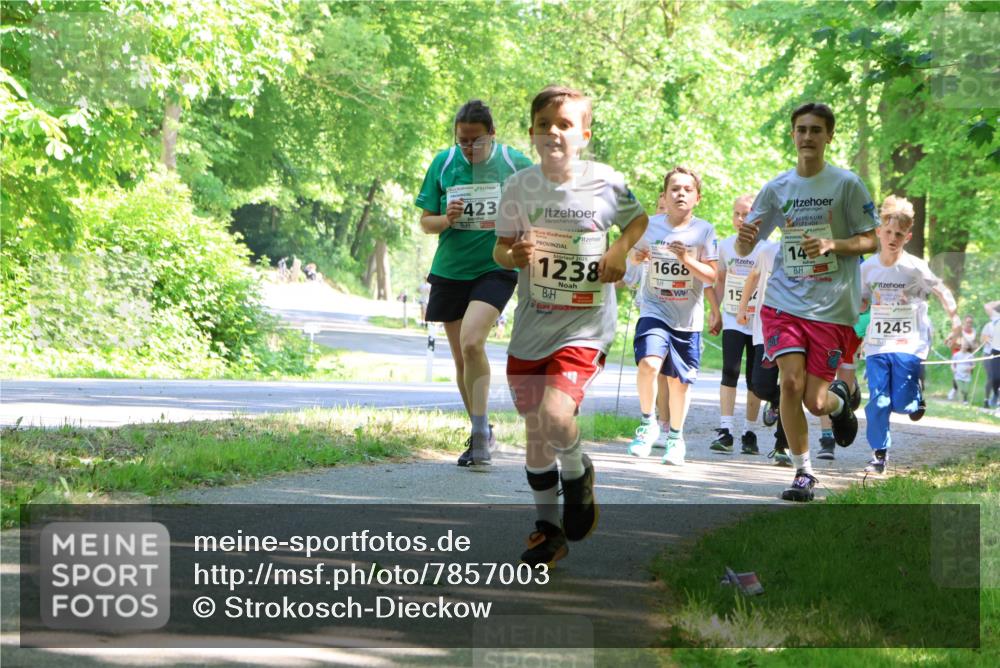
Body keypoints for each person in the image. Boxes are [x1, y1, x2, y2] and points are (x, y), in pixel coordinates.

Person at [494, 85, 648, 566]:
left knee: (557, 415)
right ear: (532, 133)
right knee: (536, 432)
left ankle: (578, 474)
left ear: (584, 134)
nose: (554, 133)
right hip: (532, 326)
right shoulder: (518, 187)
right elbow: (500, 248)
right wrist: (513, 255)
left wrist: (619, 250)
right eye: (544, 124)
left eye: (565, 124)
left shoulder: (606, 182)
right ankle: (549, 530)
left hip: (585, 325)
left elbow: (638, 221)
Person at [736, 101, 879, 502]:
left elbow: (872, 239)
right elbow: (749, 242)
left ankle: (839, 403)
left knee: (815, 401)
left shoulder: (846, 184)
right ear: (793, 135)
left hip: (831, 307)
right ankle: (803, 472)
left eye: (816, 130)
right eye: (801, 129)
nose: (808, 136)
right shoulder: (777, 188)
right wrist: (745, 241)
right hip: (783, 302)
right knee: (790, 383)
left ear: (829, 136)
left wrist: (834, 244)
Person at [415, 99, 533, 468]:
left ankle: (480, 437)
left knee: (472, 342)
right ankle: (482, 429)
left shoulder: (515, 163)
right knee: (461, 357)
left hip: (496, 266)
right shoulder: (444, 163)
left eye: (476, 141)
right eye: (462, 140)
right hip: (451, 269)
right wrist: (446, 219)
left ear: (492, 134)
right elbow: (426, 222)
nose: (469, 148)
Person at [623, 167, 718, 464]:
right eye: (674, 189)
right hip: (654, 309)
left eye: (688, 189)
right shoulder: (647, 226)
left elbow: (712, 276)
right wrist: (636, 257)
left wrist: (686, 258)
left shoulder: (704, 230)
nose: (680, 194)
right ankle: (647, 424)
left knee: (679, 382)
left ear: (697, 198)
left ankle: (675, 437)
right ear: (664, 196)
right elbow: (631, 263)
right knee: (649, 363)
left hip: (687, 319)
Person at [859, 195, 961, 474]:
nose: (893, 238)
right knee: (879, 399)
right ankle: (879, 453)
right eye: (888, 232)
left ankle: (914, 395)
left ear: (908, 237)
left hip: (909, 341)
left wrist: (955, 323)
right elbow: (860, 301)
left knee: (903, 404)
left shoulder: (915, 266)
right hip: (878, 342)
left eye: (899, 234)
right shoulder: (867, 268)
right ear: (879, 231)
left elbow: (942, 291)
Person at [707, 194, 763, 455]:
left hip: (758, 321)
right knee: (730, 369)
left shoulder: (766, 248)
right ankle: (726, 429)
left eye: (747, 214)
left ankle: (749, 432)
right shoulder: (725, 246)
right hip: (732, 317)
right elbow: (719, 280)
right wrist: (715, 312)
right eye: (737, 214)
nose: (741, 219)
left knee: (754, 377)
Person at [736, 239, 792, 466]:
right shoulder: (768, 251)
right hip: (765, 330)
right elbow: (753, 276)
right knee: (760, 386)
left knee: (790, 386)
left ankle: (782, 446)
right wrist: (742, 307)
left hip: (795, 331)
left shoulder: (814, 251)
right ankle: (778, 402)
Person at [982, 300, 1000, 408]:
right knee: (993, 377)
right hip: (993, 352)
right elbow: (987, 306)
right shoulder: (993, 321)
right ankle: (992, 396)